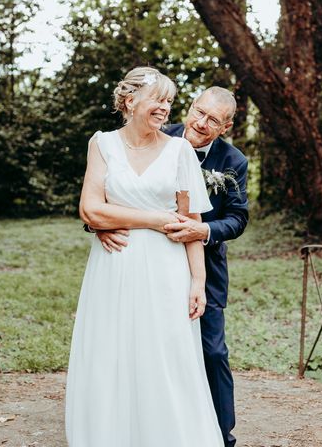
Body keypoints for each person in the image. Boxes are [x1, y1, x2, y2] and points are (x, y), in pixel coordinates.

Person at [64, 66, 224, 447]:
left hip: (167, 271)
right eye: (158, 99)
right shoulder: (101, 144)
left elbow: (190, 222)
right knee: (111, 353)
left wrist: (198, 282)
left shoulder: (180, 150)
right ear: (130, 100)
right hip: (113, 267)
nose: (165, 108)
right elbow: (90, 211)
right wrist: (153, 218)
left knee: (166, 357)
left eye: (169, 101)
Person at [97, 86, 249, 447]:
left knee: (212, 350)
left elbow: (238, 218)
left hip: (205, 270)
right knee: (148, 347)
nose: (201, 122)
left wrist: (205, 229)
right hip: (148, 263)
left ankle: (221, 433)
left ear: (225, 127)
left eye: (213, 120)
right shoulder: (157, 136)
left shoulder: (233, 161)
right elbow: (115, 189)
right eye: (199, 112)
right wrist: (97, 224)